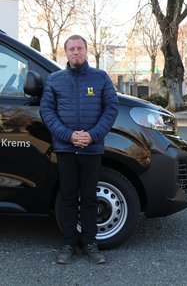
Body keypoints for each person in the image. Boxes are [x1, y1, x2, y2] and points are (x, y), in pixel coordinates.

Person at [40, 35, 119, 264]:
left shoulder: (101, 78)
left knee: (89, 198)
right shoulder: (55, 80)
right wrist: (69, 135)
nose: (76, 52)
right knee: (67, 197)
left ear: (86, 51)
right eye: (72, 49)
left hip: (91, 150)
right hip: (66, 149)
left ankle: (90, 243)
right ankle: (68, 243)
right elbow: (47, 112)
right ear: (66, 52)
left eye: (80, 48)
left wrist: (92, 135)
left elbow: (111, 109)